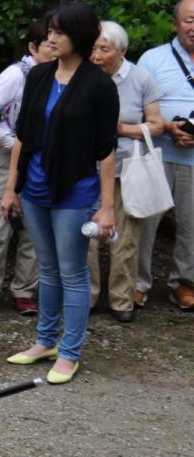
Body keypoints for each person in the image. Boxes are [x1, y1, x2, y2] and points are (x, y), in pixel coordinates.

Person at [1, 2, 117, 385]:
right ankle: (44, 341)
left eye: (59, 32)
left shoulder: (99, 84)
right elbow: (22, 136)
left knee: (73, 272)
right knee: (46, 268)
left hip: (75, 189)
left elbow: (106, 150)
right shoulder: (38, 75)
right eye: (49, 30)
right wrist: (10, 187)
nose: (50, 38)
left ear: (80, 36)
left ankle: (70, 352)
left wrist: (106, 208)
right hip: (34, 187)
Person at [86, 20, 163, 323]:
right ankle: (87, 297)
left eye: (104, 49)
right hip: (87, 167)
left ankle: (121, 301)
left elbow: (156, 124)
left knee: (126, 238)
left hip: (129, 169)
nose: (96, 55)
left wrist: (124, 129)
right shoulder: (83, 75)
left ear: (122, 51)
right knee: (87, 236)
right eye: (93, 48)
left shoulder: (141, 78)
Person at [0, 18, 48, 316]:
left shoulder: (60, 76)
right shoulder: (15, 75)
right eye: (49, 46)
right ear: (33, 47)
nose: (56, 51)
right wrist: (11, 141)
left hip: (42, 158)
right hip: (5, 155)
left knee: (35, 226)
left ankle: (24, 290)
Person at [136, 0, 194, 311]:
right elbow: (133, 105)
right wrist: (166, 126)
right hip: (155, 153)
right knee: (144, 222)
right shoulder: (153, 59)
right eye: (189, 20)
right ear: (175, 24)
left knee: (192, 225)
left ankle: (185, 284)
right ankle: (136, 283)